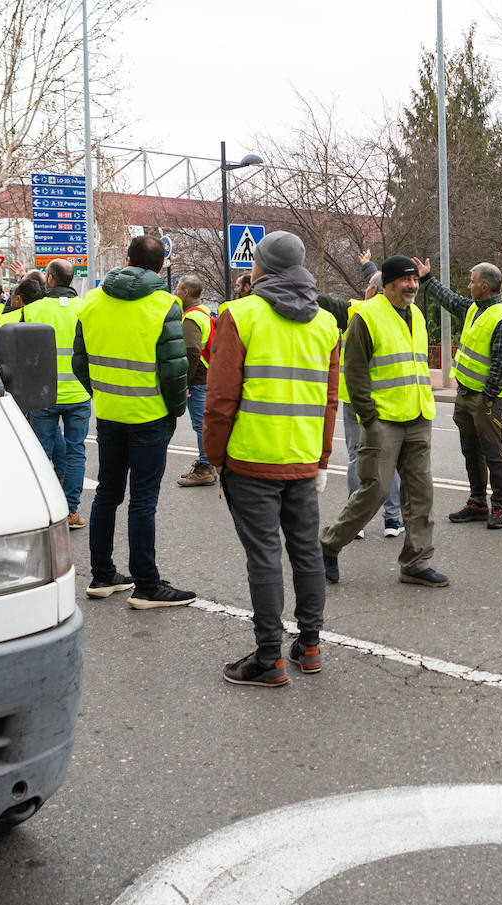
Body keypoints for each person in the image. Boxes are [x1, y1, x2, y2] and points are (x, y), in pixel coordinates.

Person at [204, 232, 340, 687]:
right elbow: (330, 401)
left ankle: (269, 658)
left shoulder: (239, 315)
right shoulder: (326, 324)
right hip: (301, 458)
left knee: (263, 556)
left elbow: (221, 398)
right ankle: (311, 645)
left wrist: (214, 457)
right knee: (306, 553)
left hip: (251, 459)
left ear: (263, 267)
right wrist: (321, 459)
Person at [72, 234, 195, 608]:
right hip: (149, 417)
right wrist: (175, 410)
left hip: (109, 414)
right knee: (143, 500)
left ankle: (102, 575)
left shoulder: (91, 301)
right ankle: (146, 585)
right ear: (161, 267)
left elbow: (80, 361)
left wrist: (101, 394)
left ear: (126, 259)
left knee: (107, 494)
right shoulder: (165, 306)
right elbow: (174, 371)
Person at [319, 255, 448, 587]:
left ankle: (416, 563)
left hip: (418, 415)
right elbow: (356, 372)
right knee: (375, 490)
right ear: (388, 283)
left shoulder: (416, 314)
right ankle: (329, 545)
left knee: (421, 493)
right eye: (406, 281)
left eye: (415, 281)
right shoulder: (366, 316)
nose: (413, 286)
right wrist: (370, 418)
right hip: (384, 420)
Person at [416, 256, 502, 529]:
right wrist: (427, 279)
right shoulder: (476, 308)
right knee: (471, 450)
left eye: (472, 281)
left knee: (492, 452)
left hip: (485, 399)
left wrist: (488, 397)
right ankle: (477, 502)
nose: (468, 284)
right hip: (466, 394)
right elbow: (450, 300)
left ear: (484, 286)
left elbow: (501, 363)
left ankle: (500, 505)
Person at [316, 251, 405, 539]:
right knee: (388, 459)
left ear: (373, 291)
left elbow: (324, 300)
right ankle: (393, 519)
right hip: (387, 398)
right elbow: (377, 280)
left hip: (355, 398)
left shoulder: (357, 311)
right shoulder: (403, 315)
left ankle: (357, 522)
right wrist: (368, 266)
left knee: (356, 457)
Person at [0, 260, 90, 530]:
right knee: (76, 452)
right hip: (78, 394)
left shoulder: (33, 309)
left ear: (49, 278)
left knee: (40, 453)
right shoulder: (84, 308)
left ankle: (44, 510)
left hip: (42, 394)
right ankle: (71, 511)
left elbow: (10, 336)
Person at [175, 275, 217, 487]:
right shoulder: (204, 312)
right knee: (204, 423)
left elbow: (191, 354)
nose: (175, 292)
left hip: (198, 379)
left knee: (201, 425)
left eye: (178, 288)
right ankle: (206, 463)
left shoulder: (191, 318)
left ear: (186, 293)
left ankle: (205, 467)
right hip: (206, 375)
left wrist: (185, 383)